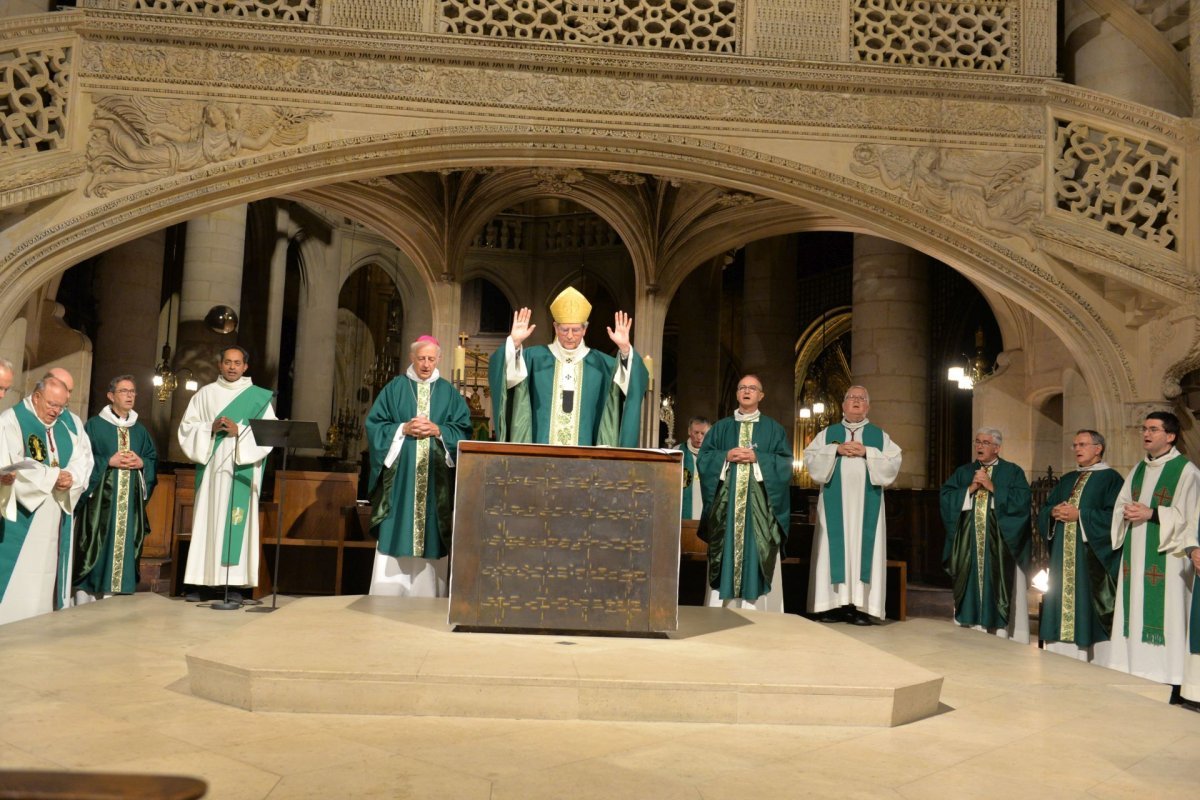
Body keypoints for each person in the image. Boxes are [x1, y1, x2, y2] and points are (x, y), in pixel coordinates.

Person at [365, 336, 471, 597]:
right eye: (421, 358)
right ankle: (388, 594)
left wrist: (439, 430)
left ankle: (429, 596)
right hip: (401, 479)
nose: (426, 364)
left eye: (431, 359)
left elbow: (464, 430)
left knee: (433, 532)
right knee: (397, 525)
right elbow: (375, 425)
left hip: (436, 480)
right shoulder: (395, 388)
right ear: (412, 358)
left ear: (439, 359)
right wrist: (403, 428)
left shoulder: (448, 392)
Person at [1108, 412, 1200, 701]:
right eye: (1144, 428)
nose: (1146, 433)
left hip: (1168, 556)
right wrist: (1126, 512)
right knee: (1133, 608)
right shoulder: (1137, 469)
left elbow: (1191, 519)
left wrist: (1151, 513)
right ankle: (1134, 668)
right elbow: (1121, 502)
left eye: (1153, 429)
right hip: (1135, 553)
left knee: (1168, 614)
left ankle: (1170, 678)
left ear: (1170, 436)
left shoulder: (1187, 471)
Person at [489, 287, 649, 447]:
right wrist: (514, 344)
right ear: (555, 327)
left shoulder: (600, 364)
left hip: (586, 459)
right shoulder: (534, 359)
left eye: (576, 330)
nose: (570, 335)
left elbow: (632, 385)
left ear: (585, 329)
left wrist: (626, 350)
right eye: (565, 329)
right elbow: (504, 377)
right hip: (540, 456)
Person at [178, 347, 275, 601]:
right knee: (208, 521)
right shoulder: (204, 395)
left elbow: (269, 434)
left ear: (245, 367)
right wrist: (209, 428)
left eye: (237, 363)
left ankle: (235, 586)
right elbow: (187, 428)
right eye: (228, 362)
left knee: (235, 524)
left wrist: (239, 431)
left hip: (241, 470)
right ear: (220, 365)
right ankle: (202, 583)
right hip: (211, 471)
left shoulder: (258, 398)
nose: (232, 367)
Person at [804, 386, 902, 625]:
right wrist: (835, 449)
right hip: (833, 506)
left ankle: (860, 606)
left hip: (866, 507)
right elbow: (810, 459)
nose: (856, 401)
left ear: (868, 407)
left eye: (861, 399)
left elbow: (894, 462)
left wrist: (867, 451)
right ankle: (830, 605)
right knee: (831, 548)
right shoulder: (828, 434)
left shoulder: (879, 436)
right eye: (851, 398)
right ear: (843, 405)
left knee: (863, 550)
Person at [0, 375, 93, 624]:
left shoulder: (68, 424)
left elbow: (84, 458)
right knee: (21, 575)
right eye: (52, 405)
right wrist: (52, 476)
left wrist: (71, 477)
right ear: (37, 396)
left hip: (57, 510)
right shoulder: (12, 420)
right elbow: (9, 464)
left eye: (61, 406)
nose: (56, 412)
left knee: (48, 572)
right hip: (24, 513)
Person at [696, 376, 791, 611]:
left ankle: (759, 609)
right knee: (725, 548)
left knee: (760, 547)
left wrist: (759, 458)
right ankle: (722, 607)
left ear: (761, 395)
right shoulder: (720, 428)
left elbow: (785, 464)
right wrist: (725, 457)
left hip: (759, 508)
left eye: (752, 388)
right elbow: (705, 459)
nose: (747, 391)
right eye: (742, 388)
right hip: (727, 509)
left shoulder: (773, 429)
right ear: (737, 394)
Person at [1036, 430, 1123, 662]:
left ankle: (1092, 655)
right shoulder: (1066, 479)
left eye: (1082, 444)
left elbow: (1116, 517)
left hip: (1089, 558)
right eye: (1074, 445)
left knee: (1087, 602)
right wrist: (1052, 513)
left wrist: (1081, 516)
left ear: (1098, 448)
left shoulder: (1111, 479)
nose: (1077, 449)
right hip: (1062, 558)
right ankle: (1057, 652)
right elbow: (1045, 509)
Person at [940, 427, 1032, 642]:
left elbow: (1022, 502)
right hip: (969, 542)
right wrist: (970, 489)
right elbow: (946, 496)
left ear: (997, 448)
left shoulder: (1012, 471)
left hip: (999, 542)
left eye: (985, 443)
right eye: (977, 442)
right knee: (967, 580)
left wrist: (993, 487)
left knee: (998, 583)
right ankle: (969, 627)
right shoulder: (964, 471)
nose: (979, 446)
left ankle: (999, 630)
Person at [75, 375, 158, 602]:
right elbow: (80, 459)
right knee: (95, 545)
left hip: (128, 505)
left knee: (124, 545)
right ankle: (86, 597)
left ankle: (116, 596)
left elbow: (151, 458)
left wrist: (142, 463)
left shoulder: (139, 430)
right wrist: (106, 462)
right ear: (111, 396)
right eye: (124, 391)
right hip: (100, 502)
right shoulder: (94, 425)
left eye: (133, 391)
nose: (130, 395)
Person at [679, 416, 710, 520]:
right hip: (683, 511)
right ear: (689, 431)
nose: (699, 437)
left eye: (703, 433)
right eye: (696, 432)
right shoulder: (678, 452)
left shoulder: (715, 455)